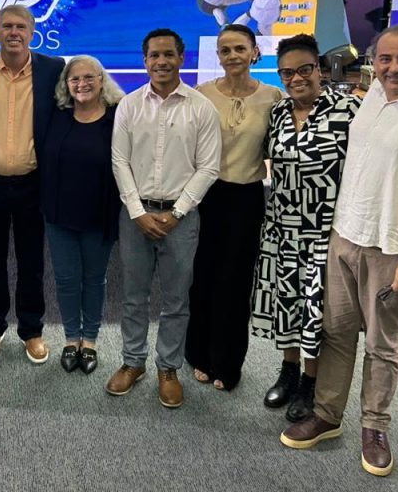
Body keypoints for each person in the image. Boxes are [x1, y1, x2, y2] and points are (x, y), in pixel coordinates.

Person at [281, 24, 398, 478]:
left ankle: (375, 427)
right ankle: (328, 415)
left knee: (382, 346)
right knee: (336, 334)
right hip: (344, 238)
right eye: (385, 59)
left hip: (392, 249)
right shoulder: (372, 98)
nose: (394, 67)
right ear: (374, 62)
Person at [107, 28, 221, 408]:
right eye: (154, 55)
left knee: (176, 300)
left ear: (181, 58)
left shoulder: (201, 107)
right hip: (135, 216)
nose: (161, 62)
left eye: (168, 54)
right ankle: (133, 362)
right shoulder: (129, 105)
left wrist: (176, 213)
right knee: (133, 297)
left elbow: (208, 167)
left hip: (181, 219)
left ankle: (168, 368)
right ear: (145, 61)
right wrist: (138, 212)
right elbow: (119, 162)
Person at [249, 33, 360, 421]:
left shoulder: (348, 110)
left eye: (304, 69)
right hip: (282, 227)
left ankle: (311, 383)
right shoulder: (278, 113)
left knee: (314, 310)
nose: (296, 78)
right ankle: (289, 370)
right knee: (287, 303)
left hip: (323, 232)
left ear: (319, 68)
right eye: (287, 73)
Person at [0, 4, 65, 364]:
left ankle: (32, 330)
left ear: (32, 32)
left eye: (21, 26)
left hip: (33, 184)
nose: (14, 32)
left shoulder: (53, 68)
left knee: (31, 261)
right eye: (7, 26)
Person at [185, 24, 282, 392]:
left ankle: (228, 362)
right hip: (207, 196)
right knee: (203, 277)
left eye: (240, 48)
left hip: (246, 198)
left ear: (254, 52)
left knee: (236, 281)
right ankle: (198, 353)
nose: (232, 56)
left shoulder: (273, 97)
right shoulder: (202, 94)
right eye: (225, 50)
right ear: (218, 55)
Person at [40, 55, 125, 374]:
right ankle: (70, 338)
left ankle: (89, 341)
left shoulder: (118, 115)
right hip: (59, 214)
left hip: (100, 213)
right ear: (66, 84)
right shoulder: (57, 114)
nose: (82, 84)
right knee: (65, 279)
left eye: (89, 77)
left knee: (94, 280)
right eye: (74, 79)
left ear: (102, 80)